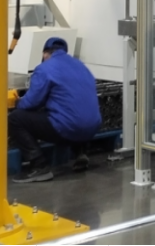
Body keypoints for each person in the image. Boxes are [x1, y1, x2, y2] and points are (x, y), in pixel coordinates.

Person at [10, 37, 101, 182]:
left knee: (16, 118)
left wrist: (17, 103)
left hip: (68, 127)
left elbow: (32, 102)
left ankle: (39, 166)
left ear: (45, 54)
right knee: (71, 111)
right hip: (93, 128)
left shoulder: (45, 68)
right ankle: (80, 153)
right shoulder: (81, 66)